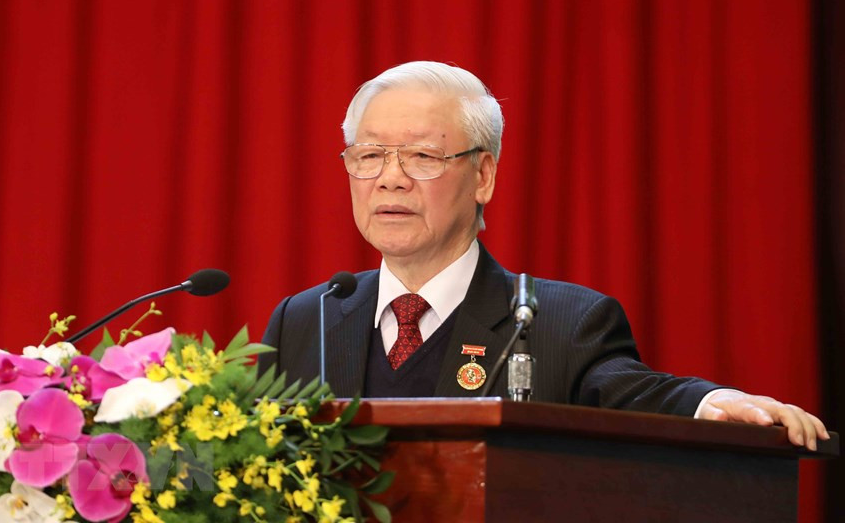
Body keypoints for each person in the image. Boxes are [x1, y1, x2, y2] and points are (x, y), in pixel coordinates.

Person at [259, 61, 829, 450]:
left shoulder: (560, 321)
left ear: (482, 175)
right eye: (370, 156)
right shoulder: (308, 319)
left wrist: (717, 403)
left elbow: (636, 393)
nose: (390, 180)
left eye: (421, 157)